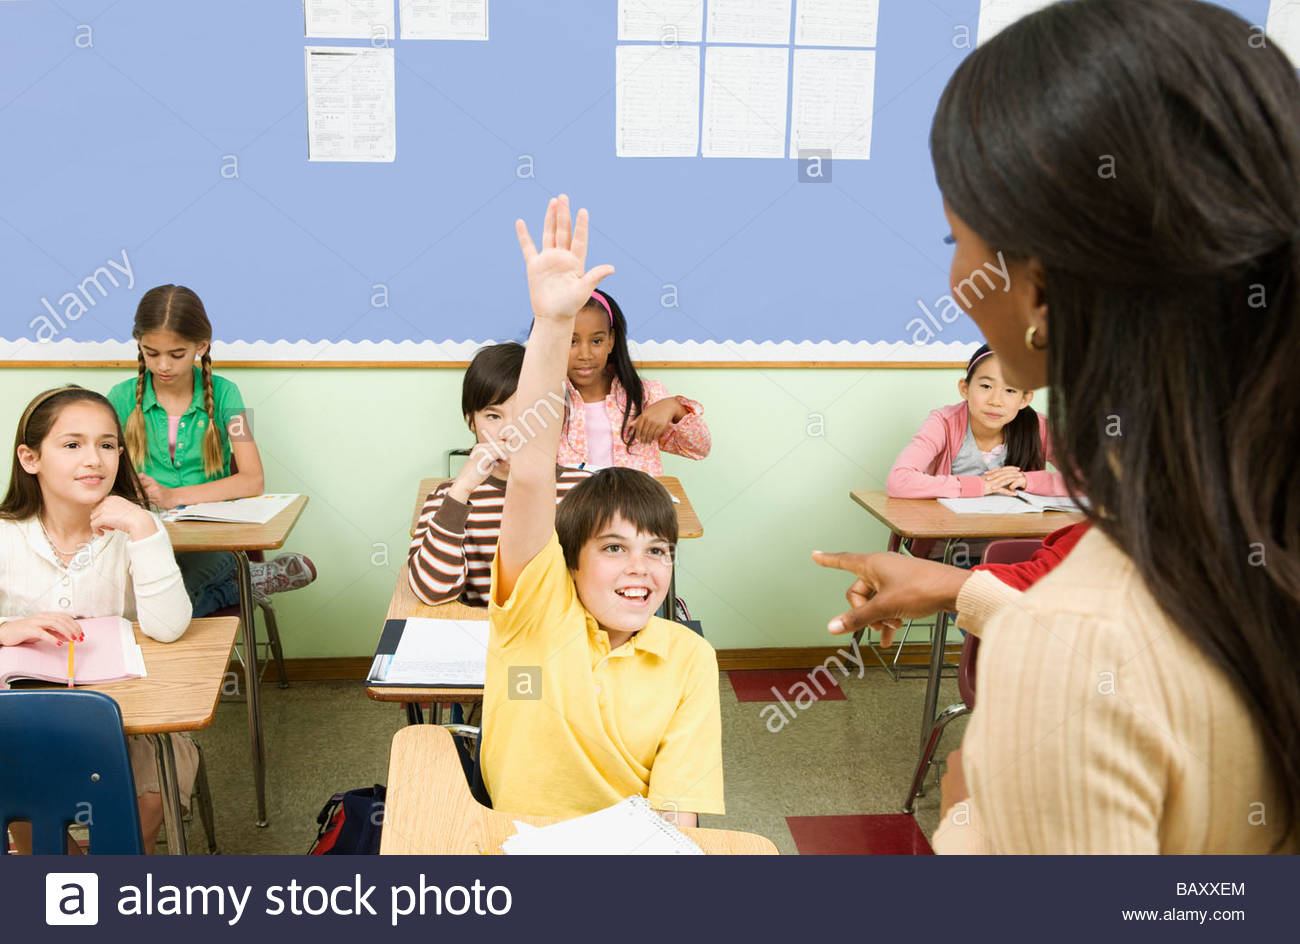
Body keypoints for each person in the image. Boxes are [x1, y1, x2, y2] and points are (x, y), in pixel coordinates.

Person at [818, 0, 1299, 852]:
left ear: (1036, 290)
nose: (957, 273)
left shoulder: (1072, 647)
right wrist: (954, 586)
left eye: (953, 236)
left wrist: (968, 812)